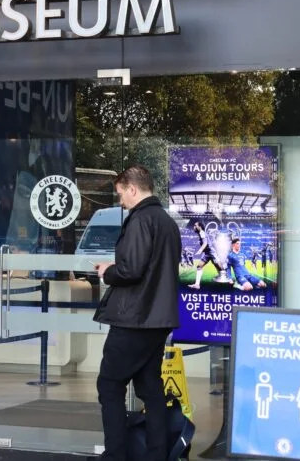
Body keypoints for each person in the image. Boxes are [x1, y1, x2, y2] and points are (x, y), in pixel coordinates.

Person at [93, 165, 182, 461]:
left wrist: (108, 272)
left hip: (134, 319)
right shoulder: (167, 222)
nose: (120, 201)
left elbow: (131, 270)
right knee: (150, 387)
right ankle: (156, 455)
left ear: (132, 188)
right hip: (158, 319)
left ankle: (116, 455)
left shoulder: (141, 220)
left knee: (109, 384)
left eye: (120, 194)